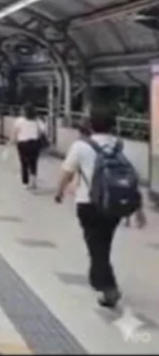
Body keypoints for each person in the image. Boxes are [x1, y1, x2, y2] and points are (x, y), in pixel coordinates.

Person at [55, 107, 146, 308]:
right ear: (113, 125)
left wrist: (59, 193)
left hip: (88, 204)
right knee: (102, 244)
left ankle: (108, 287)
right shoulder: (121, 146)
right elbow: (132, 179)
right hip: (113, 204)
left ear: (90, 124)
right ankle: (102, 282)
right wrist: (138, 209)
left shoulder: (81, 146)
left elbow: (66, 172)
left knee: (96, 247)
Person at [10, 103, 45, 189]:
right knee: (33, 162)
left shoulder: (19, 120)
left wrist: (12, 140)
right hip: (34, 143)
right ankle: (33, 181)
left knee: (24, 163)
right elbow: (43, 130)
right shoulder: (37, 120)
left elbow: (15, 131)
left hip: (23, 144)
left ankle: (25, 182)